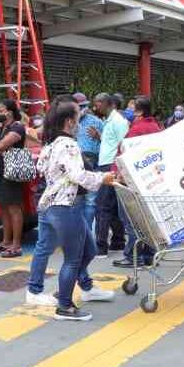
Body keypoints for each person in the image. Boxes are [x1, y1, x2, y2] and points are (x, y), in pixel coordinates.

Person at [28, 101, 118, 321]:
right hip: (64, 207)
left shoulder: (51, 144)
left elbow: (41, 168)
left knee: (89, 250)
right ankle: (65, 306)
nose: (80, 122)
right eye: (79, 117)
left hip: (51, 205)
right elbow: (78, 175)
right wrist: (103, 178)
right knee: (73, 259)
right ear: (69, 121)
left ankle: (68, 289)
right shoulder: (68, 144)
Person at [113, 96, 161, 268]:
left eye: (131, 107)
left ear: (140, 111)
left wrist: (118, 174)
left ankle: (133, 255)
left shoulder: (137, 129)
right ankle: (149, 254)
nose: (128, 110)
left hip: (130, 181)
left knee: (131, 219)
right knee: (145, 220)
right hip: (148, 180)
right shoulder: (155, 126)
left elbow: (126, 155)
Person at [0, 99, 27, 257]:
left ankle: (16, 245)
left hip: (11, 173)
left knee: (14, 208)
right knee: (3, 208)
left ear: (10, 112)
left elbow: (2, 145)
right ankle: (6, 242)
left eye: (0, 110)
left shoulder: (17, 128)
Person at [93, 93, 129, 254]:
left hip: (110, 166)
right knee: (112, 207)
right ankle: (118, 241)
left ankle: (100, 247)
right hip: (106, 165)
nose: (96, 106)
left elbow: (124, 145)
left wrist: (118, 169)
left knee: (102, 206)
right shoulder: (108, 121)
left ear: (108, 103)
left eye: (98, 103)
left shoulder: (118, 121)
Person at [76, 95, 104, 237]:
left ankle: (85, 232)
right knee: (79, 199)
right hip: (74, 163)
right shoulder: (68, 122)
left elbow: (106, 145)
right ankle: (81, 232)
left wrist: (98, 136)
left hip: (90, 161)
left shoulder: (96, 122)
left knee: (89, 199)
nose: (81, 110)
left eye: (82, 106)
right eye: (78, 106)